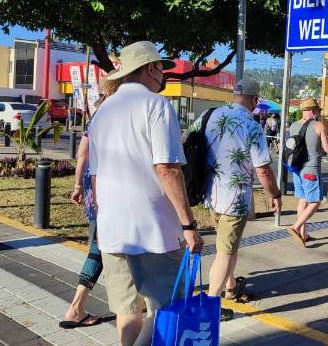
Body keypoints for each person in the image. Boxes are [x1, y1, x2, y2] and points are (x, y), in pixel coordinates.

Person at [89, 41, 204, 346]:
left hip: (112, 228)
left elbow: (94, 175)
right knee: (165, 309)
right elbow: (167, 169)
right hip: (153, 229)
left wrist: (102, 219)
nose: (163, 75)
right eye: (162, 69)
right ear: (151, 68)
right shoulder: (156, 105)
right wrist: (188, 225)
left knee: (127, 309)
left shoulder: (103, 110)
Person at [191, 79, 283, 321]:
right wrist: (275, 194)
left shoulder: (209, 115)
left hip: (210, 193)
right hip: (235, 199)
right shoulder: (252, 126)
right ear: (254, 100)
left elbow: (185, 140)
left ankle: (231, 286)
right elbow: (263, 170)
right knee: (225, 251)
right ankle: (211, 304)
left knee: (227, 245)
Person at [60, 75, 121, 331]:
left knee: (100, 246)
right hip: (111, 192)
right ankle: (76, 308)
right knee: (99, 249)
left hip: (94, 190)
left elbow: (82, 154)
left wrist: (77, 186)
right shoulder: (119, 114)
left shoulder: (98, 116)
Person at [286, 98, 328, 247]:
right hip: (311, 169)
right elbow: (327, 148)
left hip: (296, 168)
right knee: (315, 202)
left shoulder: (293, 126)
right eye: (317, 111)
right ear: (314, 111)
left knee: (303, 200)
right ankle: (295, 227)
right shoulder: (318, 125)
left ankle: (303, 234)